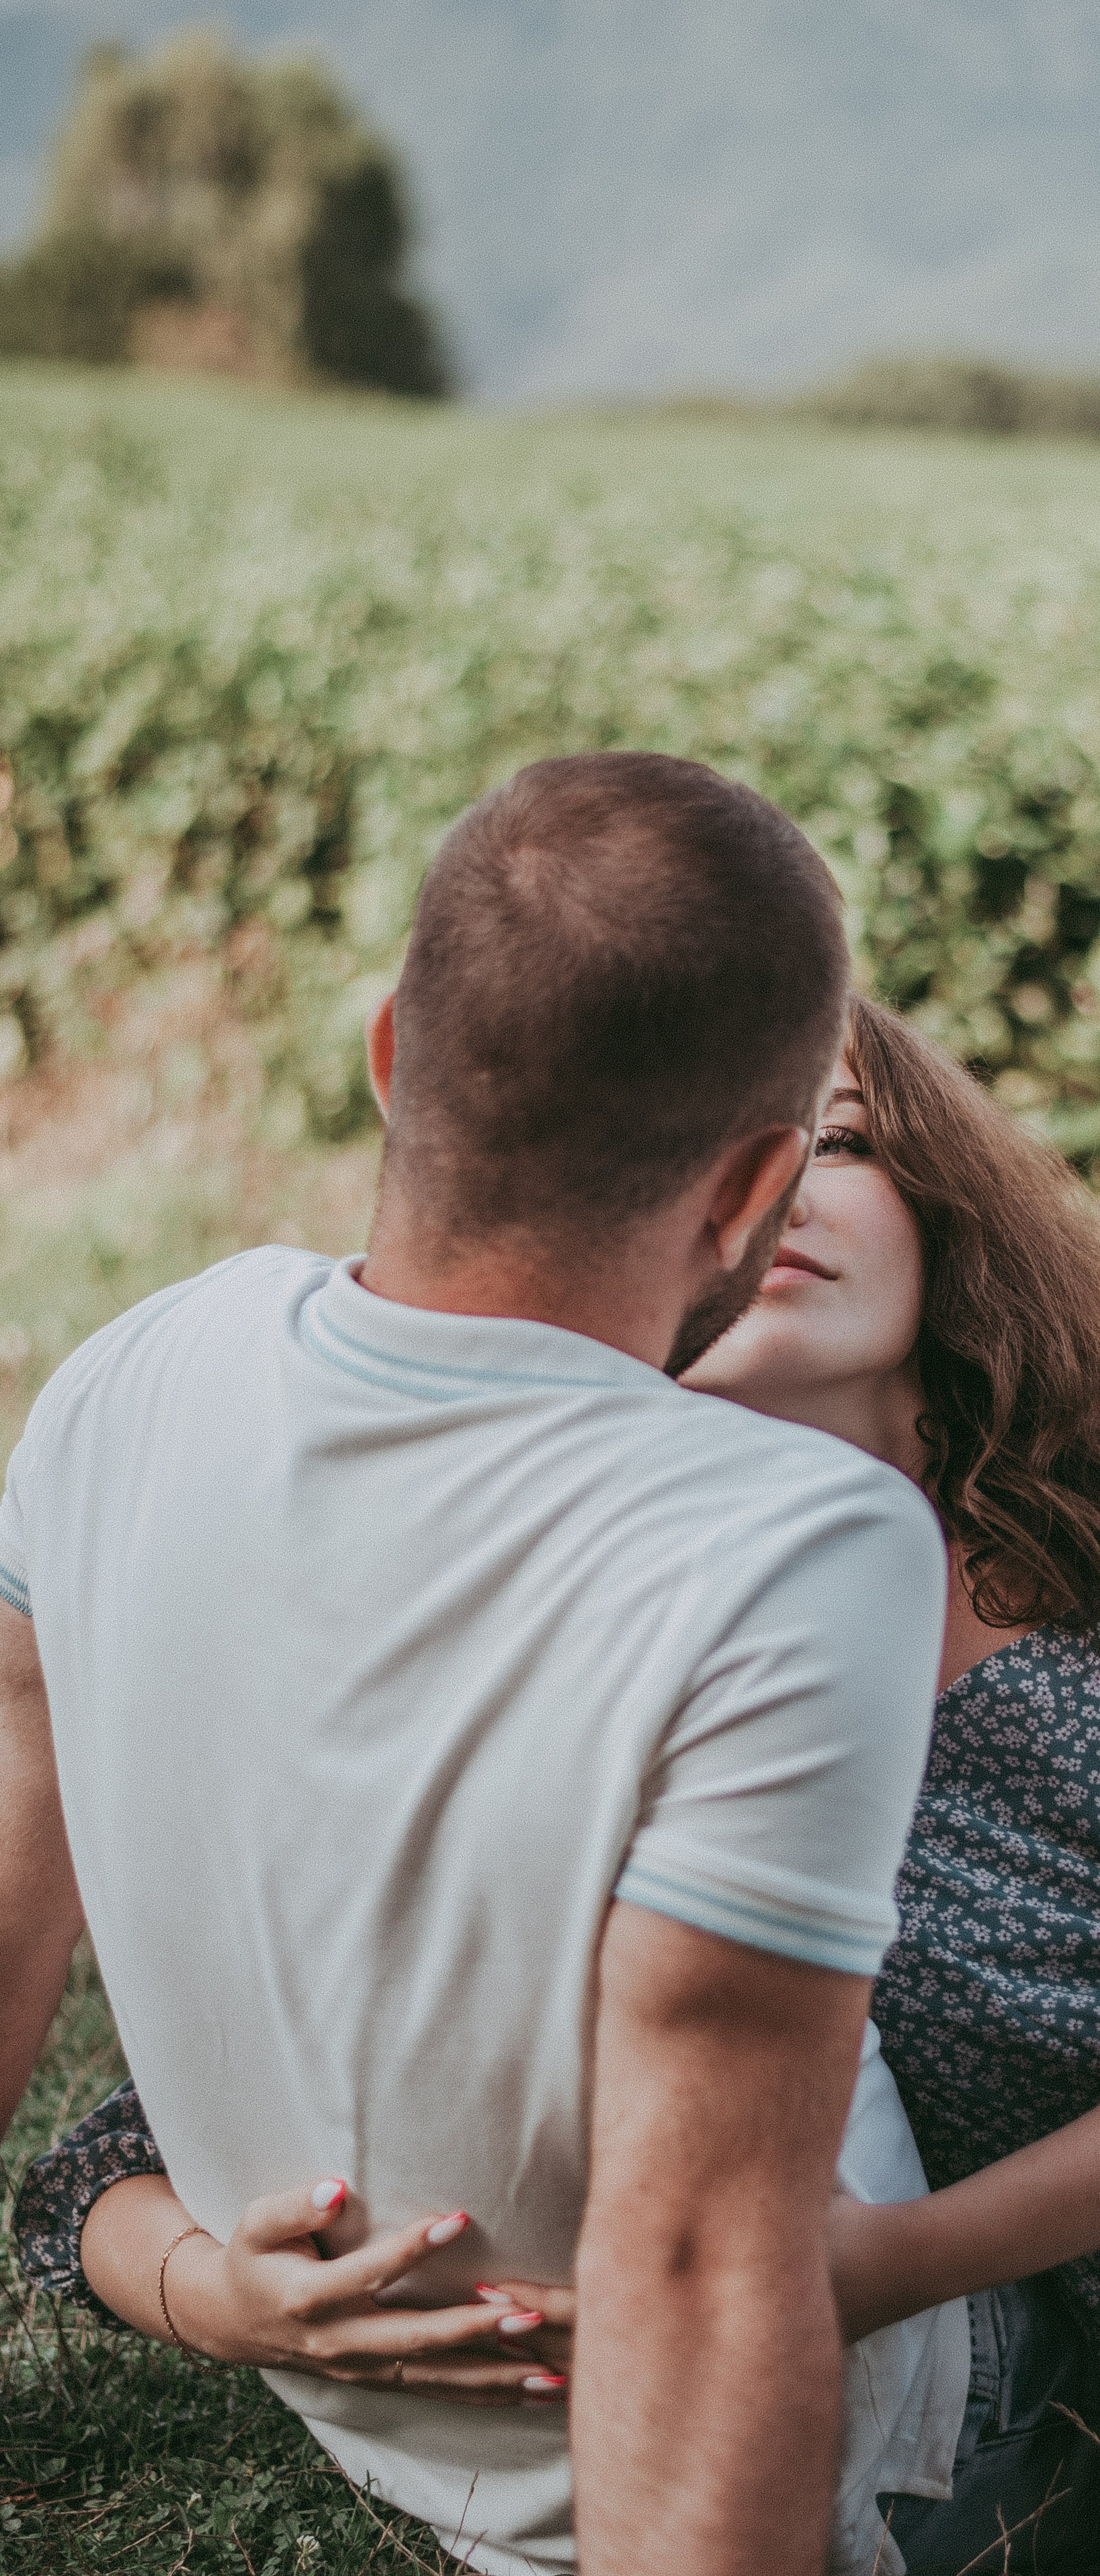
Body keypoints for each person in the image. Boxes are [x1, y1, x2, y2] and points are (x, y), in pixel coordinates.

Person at [28, 989, 1100, 2571]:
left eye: (834, 1144)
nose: (778, 1198)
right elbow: (166, 2120)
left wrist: (884, 2261)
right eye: (704, 1165)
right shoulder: (595, 1660)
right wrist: (206, 2291)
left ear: (935, 1201)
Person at [0, 754, 973, 2576]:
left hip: (377, 2417)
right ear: (756, 1184)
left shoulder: (128, 1369)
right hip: (815, 2459)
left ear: (391, 1055)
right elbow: (702, 2257)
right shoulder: (798, 1542)